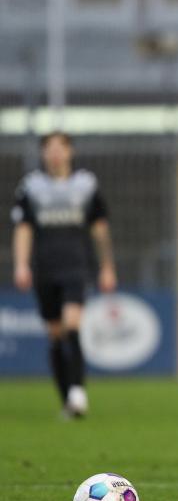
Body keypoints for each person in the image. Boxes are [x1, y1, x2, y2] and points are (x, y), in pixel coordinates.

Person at [12, 132, 117, 418]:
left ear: (70, 152)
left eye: (61, 148)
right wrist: (21, 264)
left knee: (73, 326)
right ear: (44, 154)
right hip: (45, 269)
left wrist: (107, 266)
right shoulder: (31, 188)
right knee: (55, 335)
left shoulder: (86, 185)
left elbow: (100, 228)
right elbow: (23, 230)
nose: (55, 153)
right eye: (50, 149)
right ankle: (67, 399)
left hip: (77, 266)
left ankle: (78, 391)